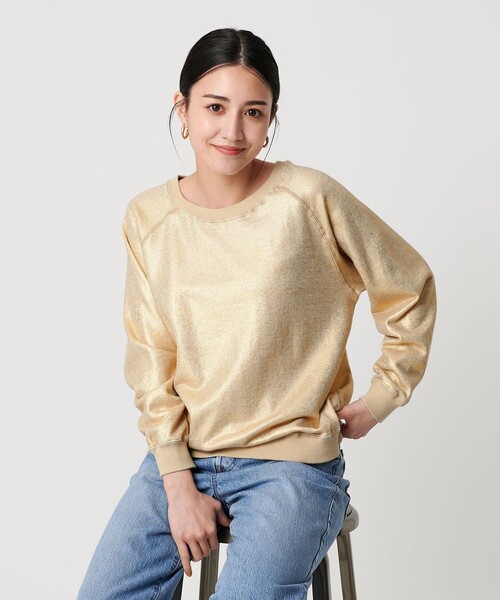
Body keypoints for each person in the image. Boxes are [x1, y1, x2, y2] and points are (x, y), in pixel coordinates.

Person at [77, 27, 437, 600]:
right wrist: (177, 482)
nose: (233, 131)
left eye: (253, 112)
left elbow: (409, 283)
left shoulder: (307, 198)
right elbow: (150, 356)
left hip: (292, 467)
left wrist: (385, 395)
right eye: (215, 107)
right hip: (182, 459)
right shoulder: (148, 217)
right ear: (183, 109)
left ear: (271, 119)